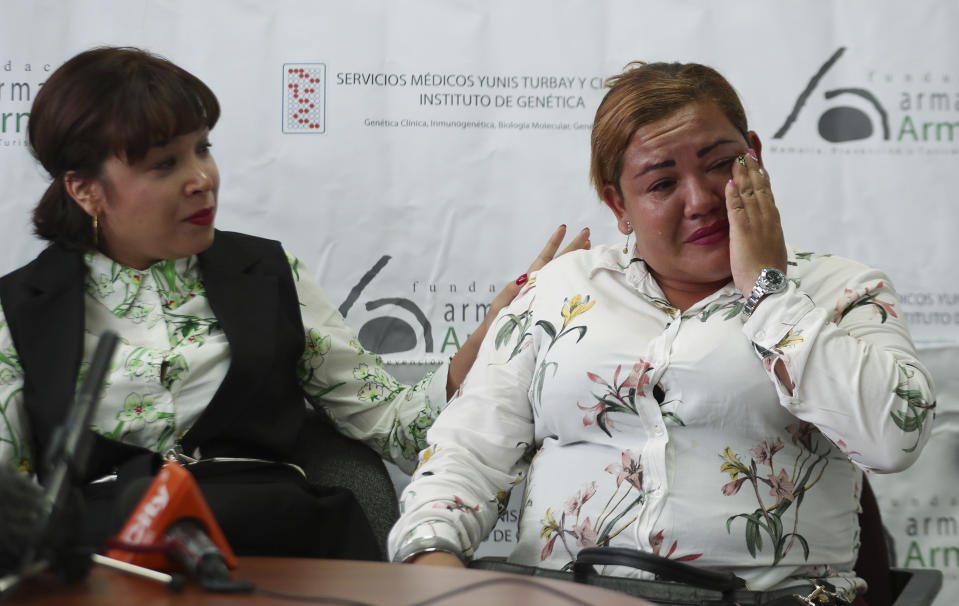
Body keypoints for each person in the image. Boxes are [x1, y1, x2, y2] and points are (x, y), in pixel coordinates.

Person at [0, 46, 588, 561]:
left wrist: (494, 333)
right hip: (107, 559)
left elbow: (406, 430)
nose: (201, 178)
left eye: (202, 149)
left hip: (278, 540)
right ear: (85, 189)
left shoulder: (268, 274)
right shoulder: (19, 308)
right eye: (165, 164)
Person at [388, 61, 936, 605]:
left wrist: (769, 292)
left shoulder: (842, 290)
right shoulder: (558, 290)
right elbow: (467, 451)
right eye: (663, 183)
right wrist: (432, 560)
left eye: (721, 164)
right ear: (617, 205)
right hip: (562, 595)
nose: (699, 200)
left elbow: (895, 438)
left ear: (756, 157)